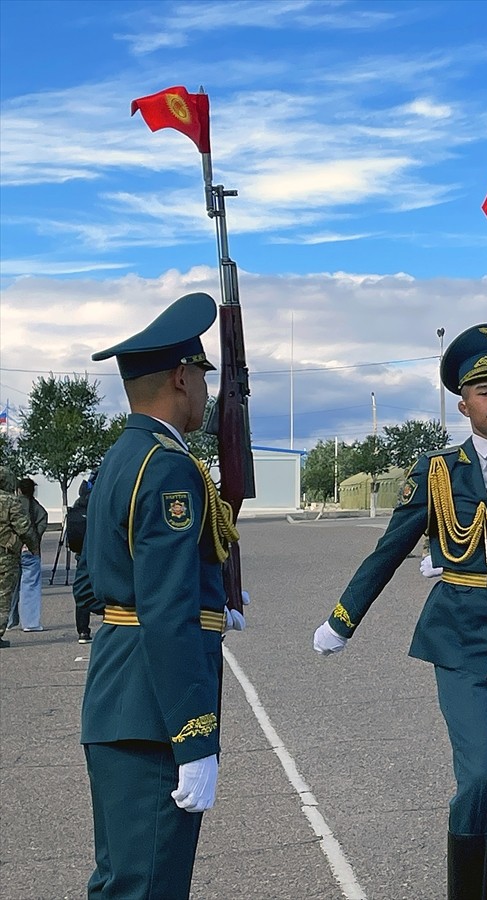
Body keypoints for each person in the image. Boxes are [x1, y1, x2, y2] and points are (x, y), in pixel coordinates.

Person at [311, 323, 487, 899]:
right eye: (485, 391)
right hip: (460, 639)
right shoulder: (437, 472)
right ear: (464, 405)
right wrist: (344, 617)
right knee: (480, 776)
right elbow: (391, 547)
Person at [78, 291, 245, 899]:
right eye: (201, 376)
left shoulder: (124, 458)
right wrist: (195, 738)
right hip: (153, 714)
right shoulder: (169, 467)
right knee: (148, 886)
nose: (206, 390)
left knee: (123, 881)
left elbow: (101, 580)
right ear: (180, 376)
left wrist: (214, 598)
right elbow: (166, 610)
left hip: (121, 698)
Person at [0, 465, 34, 649]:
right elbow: (24, 527)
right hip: (5, 555)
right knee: (4, 595)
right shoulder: (11, 501)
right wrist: (33, 546)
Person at [7, 477, 47, 632]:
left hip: (11, 550)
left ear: (18, 490)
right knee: (30, 585)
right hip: (30, 551)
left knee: (10, 586)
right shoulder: (37, 508)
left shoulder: (11, 504)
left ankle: (9, 620)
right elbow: (42, 523)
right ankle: (30, 623)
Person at [69, 474, 104, 643]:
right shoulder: (104, 497)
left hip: (83, 551)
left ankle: (83, 630)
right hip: (103, 551)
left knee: (83, 588)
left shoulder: (80, 501)